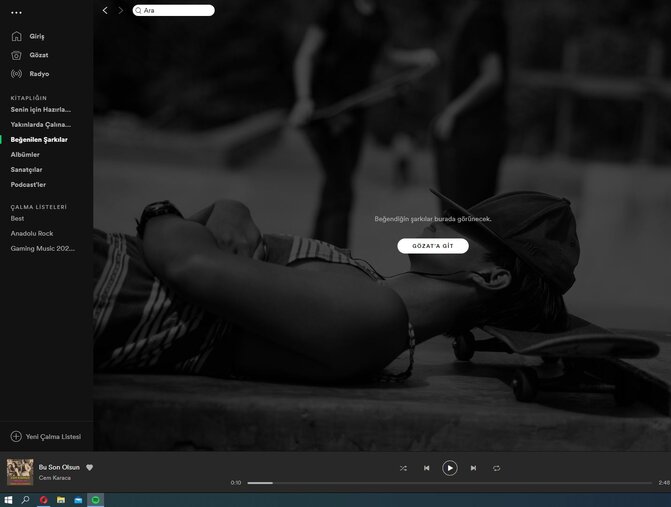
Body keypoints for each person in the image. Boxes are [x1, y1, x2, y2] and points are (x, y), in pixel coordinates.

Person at [93, 190, 579, 384]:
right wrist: (229, 211)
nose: (439, 222)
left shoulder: (376, 317)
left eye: (462, 226)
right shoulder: (366, 292)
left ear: (492, 276)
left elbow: (188, 263)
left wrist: (161, 214)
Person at [289, 0, 437, 248]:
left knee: (337, 182)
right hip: (326, 109)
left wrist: (417, 57)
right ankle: (336, 255)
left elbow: (385, 55)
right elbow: (306, 55)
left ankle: (315, 247)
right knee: (341, 187)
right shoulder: (335, 10)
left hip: (356, 109)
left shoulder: (379, 17)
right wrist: (303, 98)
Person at [433, 0, 508, 208]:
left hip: (474, 136)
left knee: (461, 217)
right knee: (468, 217)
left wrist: (451, 111)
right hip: (478, 134)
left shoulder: (485, 17)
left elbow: (492, 76)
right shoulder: (482, 15)